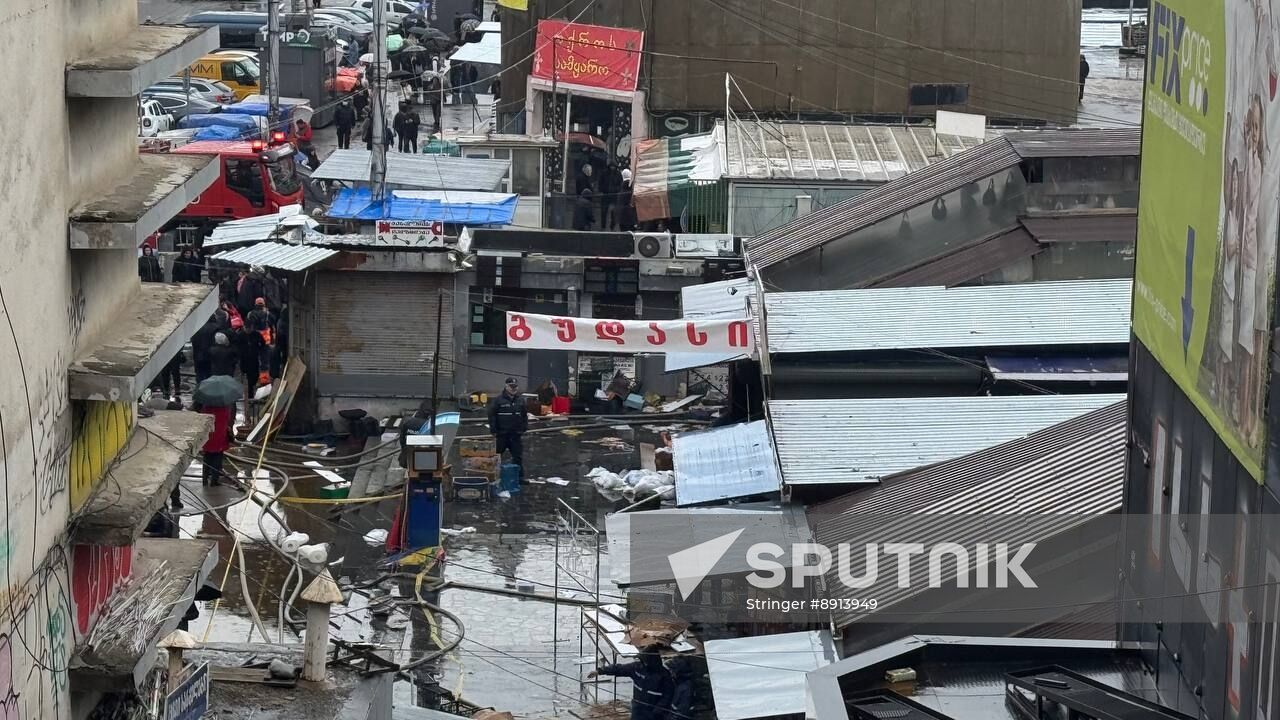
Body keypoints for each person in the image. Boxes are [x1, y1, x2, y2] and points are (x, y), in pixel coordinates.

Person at [587, 649, 673, 720]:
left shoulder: (664, 676)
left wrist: (657, 712)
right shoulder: (637, 668)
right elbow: (619, 668)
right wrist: (600, 671)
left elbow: (668, 697)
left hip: (654, 714)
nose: (642, 663)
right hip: (637, 710)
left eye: (644, 661)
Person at [487, 377, 528, 475]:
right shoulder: (498, 400)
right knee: (496, 456)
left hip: (515, 435)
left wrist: (524, 428)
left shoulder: (521, 400)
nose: (513, 388)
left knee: (518, 457)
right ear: (506, 386)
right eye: (511, 386)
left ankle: (519, 478)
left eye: (515, 386)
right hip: (502, 434)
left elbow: (524, 415)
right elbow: (491, 415)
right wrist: (493, 430)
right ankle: (493, 476)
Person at [196, 399, 234, 487]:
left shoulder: (206, 407)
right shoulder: (224, 408)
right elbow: (228, 419)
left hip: (208, 436)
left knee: (207, 457)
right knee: (217, 458)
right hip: (220, 436)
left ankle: (204, 479)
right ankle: (214, 480)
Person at [191, 311, 223, 384]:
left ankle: (199, 390)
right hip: (211, 356)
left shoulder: (197, 328)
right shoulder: (216, 328)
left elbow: (194, 342)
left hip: (199, 356)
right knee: (210, 375)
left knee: (200, 375)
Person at [666, 655, 695, 720]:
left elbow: (682, 712)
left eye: (672, 670)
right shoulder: (679, 683)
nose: (670, 672)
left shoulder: (685, 688)